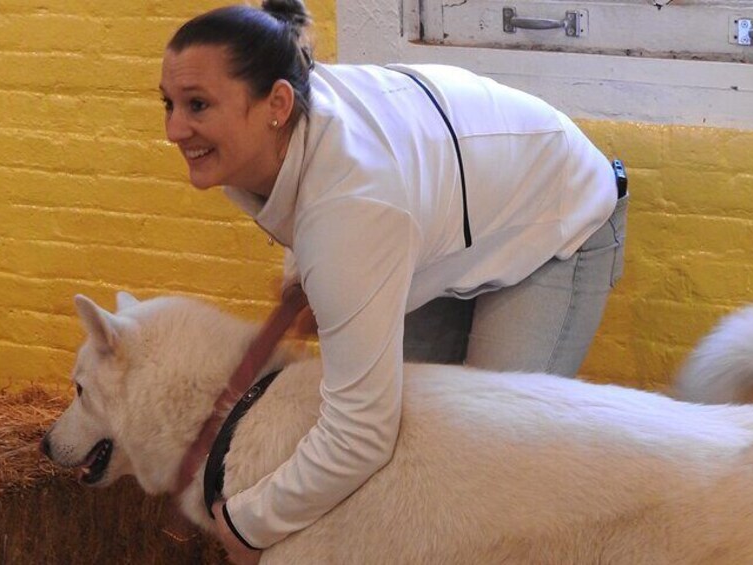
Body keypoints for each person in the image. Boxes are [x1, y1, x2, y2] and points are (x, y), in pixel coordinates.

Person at [159, 0, 628, 562]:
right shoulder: (281, 125)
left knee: (480, 459)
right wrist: (307, 273)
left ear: (276, 104)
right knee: (415, 442)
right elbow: (318, 206)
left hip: (556, 214)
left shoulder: (352, 207)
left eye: (197, 105)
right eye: (168, 103)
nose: (173, 129)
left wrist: (249, 522)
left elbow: (360, 433)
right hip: (448, 220)